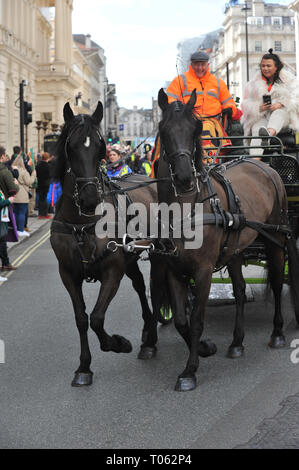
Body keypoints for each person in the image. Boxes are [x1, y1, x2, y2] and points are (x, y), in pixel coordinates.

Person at [241, 49, 299, 157]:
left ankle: (268, 135)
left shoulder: (290, 80)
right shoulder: (252, 84)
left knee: (279, 113)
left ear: (276, 67)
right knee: (257, 129)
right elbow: (245, 103)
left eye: (268, 66)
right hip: (263, 116)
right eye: (263, 66)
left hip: (284, 118)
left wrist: (282, 103)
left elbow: (296, 97)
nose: (265, 68)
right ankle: (254, 164)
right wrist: (258, 107)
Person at [0, 146, 19, 272]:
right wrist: (16, 185)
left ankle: (6, 262)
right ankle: (5, 263)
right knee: (2, 236)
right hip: (3, 208)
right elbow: (13, 189)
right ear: (2, 156)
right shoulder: (5, 172)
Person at [12, 154, 36, 237]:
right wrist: (33, 175)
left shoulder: (12, 170)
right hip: (22, 195)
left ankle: (15, 230)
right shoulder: (23, 171)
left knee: (15, 213)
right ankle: (21, 230)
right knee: (22, 213)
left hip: (14, 195)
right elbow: (29, 182)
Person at [36, 152, 52, 219]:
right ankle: (45, 214)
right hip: (47, 184)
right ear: (47, 158)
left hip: (39, 184)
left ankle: (40, 214)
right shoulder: (48, 166)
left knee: (40, 199)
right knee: (45, 199)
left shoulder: (38, 165)